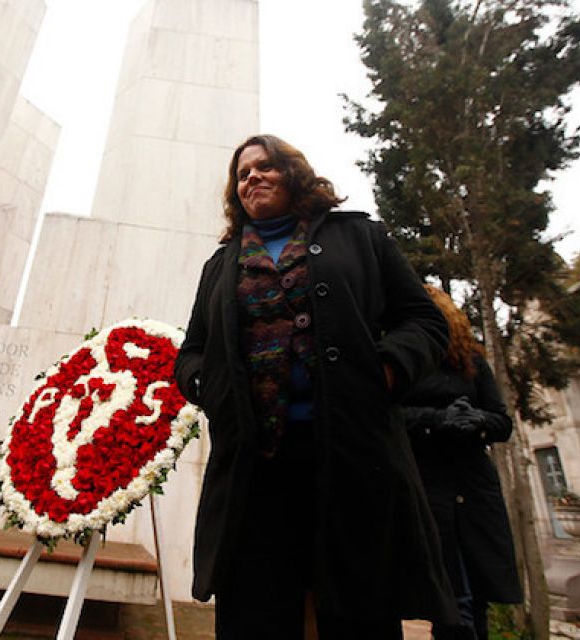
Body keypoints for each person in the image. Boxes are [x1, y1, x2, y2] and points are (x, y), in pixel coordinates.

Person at [174, 134, 459, 638]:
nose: (252, 178)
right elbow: (192, 350)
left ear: (294, 174)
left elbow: (423, 321)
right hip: (254, 467)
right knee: (256, 610)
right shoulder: (220, 265)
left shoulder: (360, 238)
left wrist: (388, 369)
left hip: (351, 458)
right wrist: (206, 384)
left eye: (265, 167)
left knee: (357, 611)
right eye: (242, 174)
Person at [403, 285, 523, 640]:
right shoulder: (409, 365)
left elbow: (501, 422)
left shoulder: (472, 362)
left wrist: (477, 420)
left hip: (472, 488)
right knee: (451, 601)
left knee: (475, 598)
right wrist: (435, 419)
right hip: (429, 487)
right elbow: (393, 417)